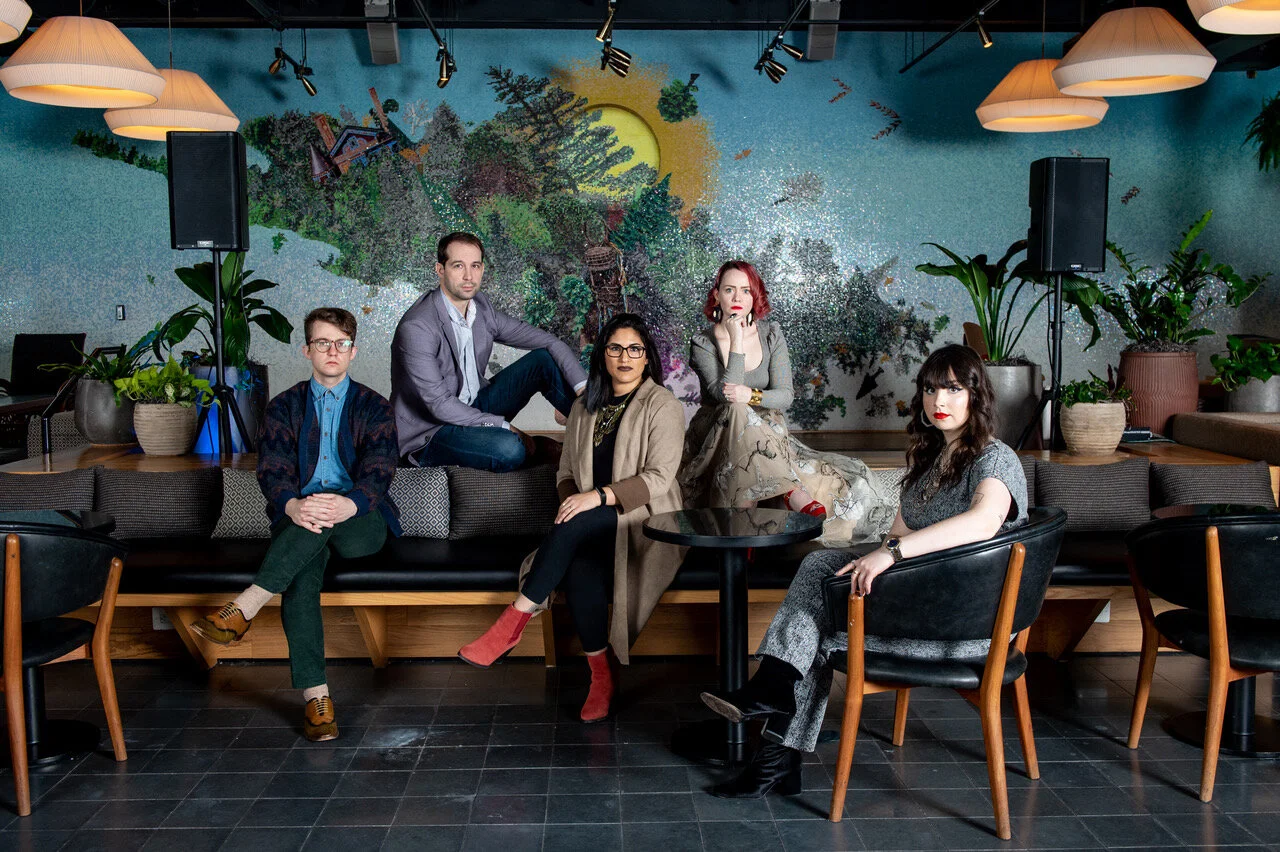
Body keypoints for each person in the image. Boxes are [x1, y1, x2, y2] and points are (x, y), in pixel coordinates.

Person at [698, 344, 1028, 796]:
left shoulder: (995, 458)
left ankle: (775, 747)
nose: (939, 401)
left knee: (813, 636)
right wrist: (873, 553)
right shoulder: (932, 461)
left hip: (965, 626)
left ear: (976, 395)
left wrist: (889, 556)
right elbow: (897, 533)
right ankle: (775, 721)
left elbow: (983, 522)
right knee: (820, 565)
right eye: (931, 389)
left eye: (953, 388)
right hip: (922, 605)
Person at [457, 313, 686, 722]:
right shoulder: (584, 406)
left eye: (635, 349)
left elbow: (659, 477)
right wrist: (574, 500)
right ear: (602, 356)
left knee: (577, 522)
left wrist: (594, 498)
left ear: (647, 357)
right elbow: (565, 475)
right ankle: (601, 675)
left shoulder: (662, 405)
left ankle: (513, 620)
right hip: (591, 521)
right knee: (581, 561)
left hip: (645, 518)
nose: (625, 357)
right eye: (615, 348)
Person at [189, 307, 400, 742]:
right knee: (302, 575)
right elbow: (273, 471)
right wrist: (291, 507)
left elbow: (380, 471)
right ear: (307, 350)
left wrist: (348, 504)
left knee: (316, 527)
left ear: (354, 351)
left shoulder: (374, 407)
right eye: (323, 343)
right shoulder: (284, 406)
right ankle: (317, 699)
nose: (332, 352)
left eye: (341, 344)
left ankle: (245, 606)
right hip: (300, 516)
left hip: (362, 520)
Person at [681, 260, 894, 542]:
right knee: (735, 407)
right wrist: (737, 342)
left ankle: (743, 527)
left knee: (829, 480)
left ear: (755, 296)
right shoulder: (703, 343)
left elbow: (785, 395)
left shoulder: (771, 334)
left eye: (745, 290)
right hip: (717, 434)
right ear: (716, 294)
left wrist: (753, 395)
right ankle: (792, 493)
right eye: (729, 289)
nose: (737, 298)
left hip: (768, 432)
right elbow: (725, 393)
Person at [391, 231, 588, 471]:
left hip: (474, 406)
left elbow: (549, 343)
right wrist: (503, 426)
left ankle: (598, 435)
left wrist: (584, 391)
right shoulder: (418, 327)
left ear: (483, 269)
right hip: (431, 431)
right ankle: (535, 447)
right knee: (509, 449)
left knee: (543, 361)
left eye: (475, 266)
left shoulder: (481, 309)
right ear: (440, 270)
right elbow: (440, 405)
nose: (468, 276)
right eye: (458, 266)